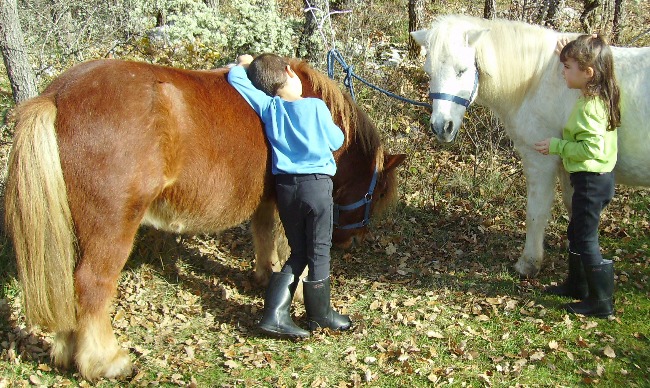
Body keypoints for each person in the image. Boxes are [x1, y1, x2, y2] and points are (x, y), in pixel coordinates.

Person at [228, 53, 352, 337]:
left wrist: (244, 64)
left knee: (297, 252)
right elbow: (337, 140)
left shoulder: (269, 107)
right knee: (318, 252)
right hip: (317, 188)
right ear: (289, 72)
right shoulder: (316, 106)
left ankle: (274, 314)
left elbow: (237, 78)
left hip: (286, 190)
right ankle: (320, 315)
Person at [534, 34, 620, 318]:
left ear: (588, 73)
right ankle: (576, 285)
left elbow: (590, 147)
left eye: (568, 67)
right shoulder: (594, 95)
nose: (563, 72)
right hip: (593, 179)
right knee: (576, 232)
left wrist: (556, 146)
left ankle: (601, 301)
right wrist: (567, 54)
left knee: (585, 238)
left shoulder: (591, 107)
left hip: (591, 180)